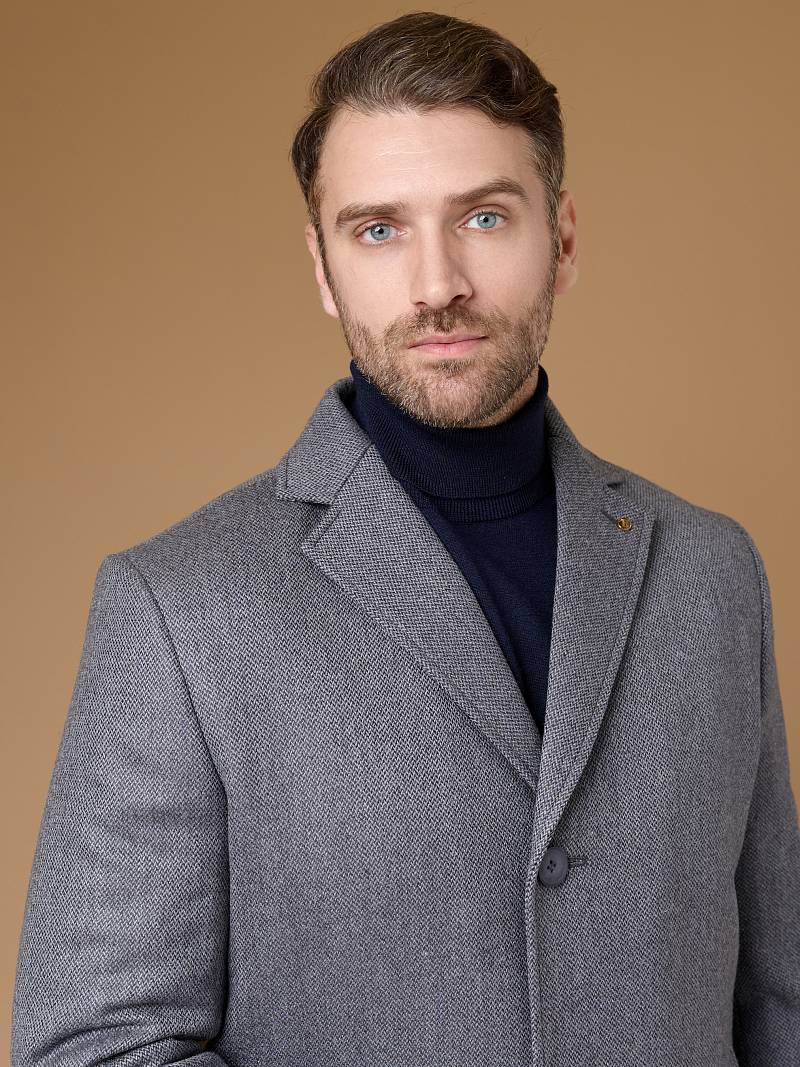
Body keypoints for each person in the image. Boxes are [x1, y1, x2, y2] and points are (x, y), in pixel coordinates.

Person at [11, 11, 799, 1067]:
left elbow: (780, 1005)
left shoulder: (712, 572)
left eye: (484, 216)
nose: (437, 285)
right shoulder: (179, 607)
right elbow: (94, 1045)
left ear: (562, 238)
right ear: (323, 266)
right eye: (378, 229)